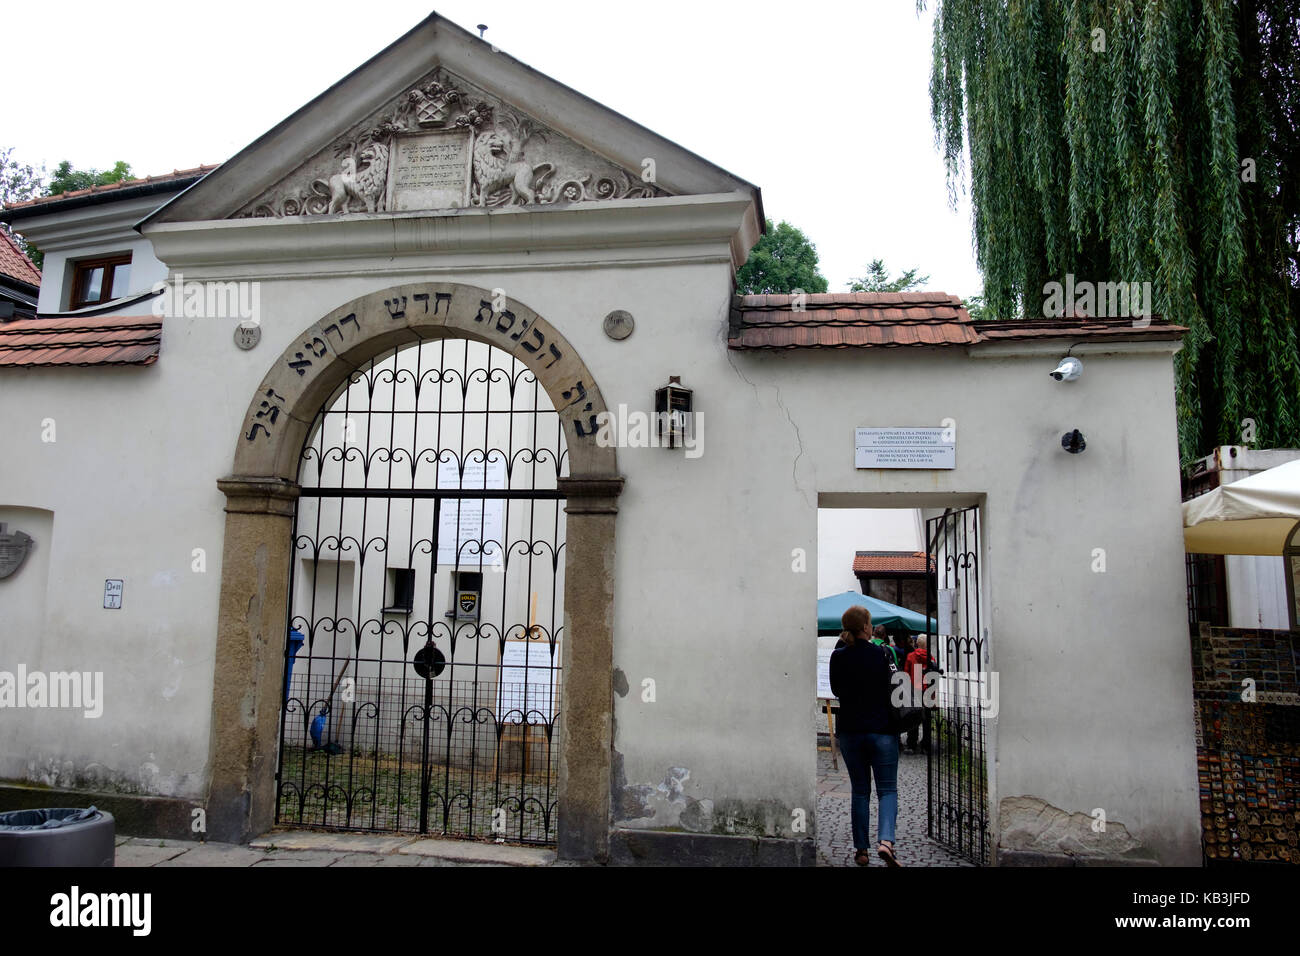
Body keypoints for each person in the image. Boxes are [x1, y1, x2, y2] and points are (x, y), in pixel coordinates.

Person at [830, 606, 901, 867]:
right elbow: (895, 688)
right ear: (866, 627)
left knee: (860, 791)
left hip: (850, 731)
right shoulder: (882, 654)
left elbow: (837, 689)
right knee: (887, 790)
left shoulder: (838, 657)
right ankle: (886, 842)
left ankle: (861, 850)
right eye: (870, 623)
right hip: (881, 730)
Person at [904, 636, 935, 754]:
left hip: (914, 689)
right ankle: (926, 745)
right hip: (926, 689)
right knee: (926, 718)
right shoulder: (930, 658)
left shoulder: (911, 657)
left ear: (917, 643)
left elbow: (906, 674)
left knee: (913, 716)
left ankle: (911, 743)